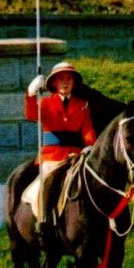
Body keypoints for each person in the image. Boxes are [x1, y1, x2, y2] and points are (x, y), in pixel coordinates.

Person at [22, 62, 96, 242]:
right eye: (61, 79)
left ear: (73, 82)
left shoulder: (83, 105)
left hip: (76, 154)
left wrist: (89, 145)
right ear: (54, 83)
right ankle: (43, 221)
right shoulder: (45, 102)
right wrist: (31, 94)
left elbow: (87, 129)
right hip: (52, 155)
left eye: (68, 78)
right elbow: (31, 114)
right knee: (49, 179)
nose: (65, 82)